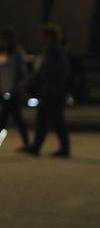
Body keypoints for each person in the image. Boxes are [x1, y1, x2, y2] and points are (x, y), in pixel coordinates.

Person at [26, 23, 72, 157]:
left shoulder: (56, 52)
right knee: (53, 120)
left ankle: (40, 147)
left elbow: (59, 71)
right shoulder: (52, 51)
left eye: (45, 36)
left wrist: (40, 80)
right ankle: (60, 148)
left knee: (50, 120)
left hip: (53, 91)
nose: (43, 39)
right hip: (51, 90)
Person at [0, 26, 30, 150]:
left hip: (13, 91)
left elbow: (23, 73)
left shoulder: (17, 54)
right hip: (4, 90)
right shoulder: (2, 53)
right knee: (7, 118)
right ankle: (27, 142)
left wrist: (18, 87)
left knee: (12, 118)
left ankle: (27, 143)